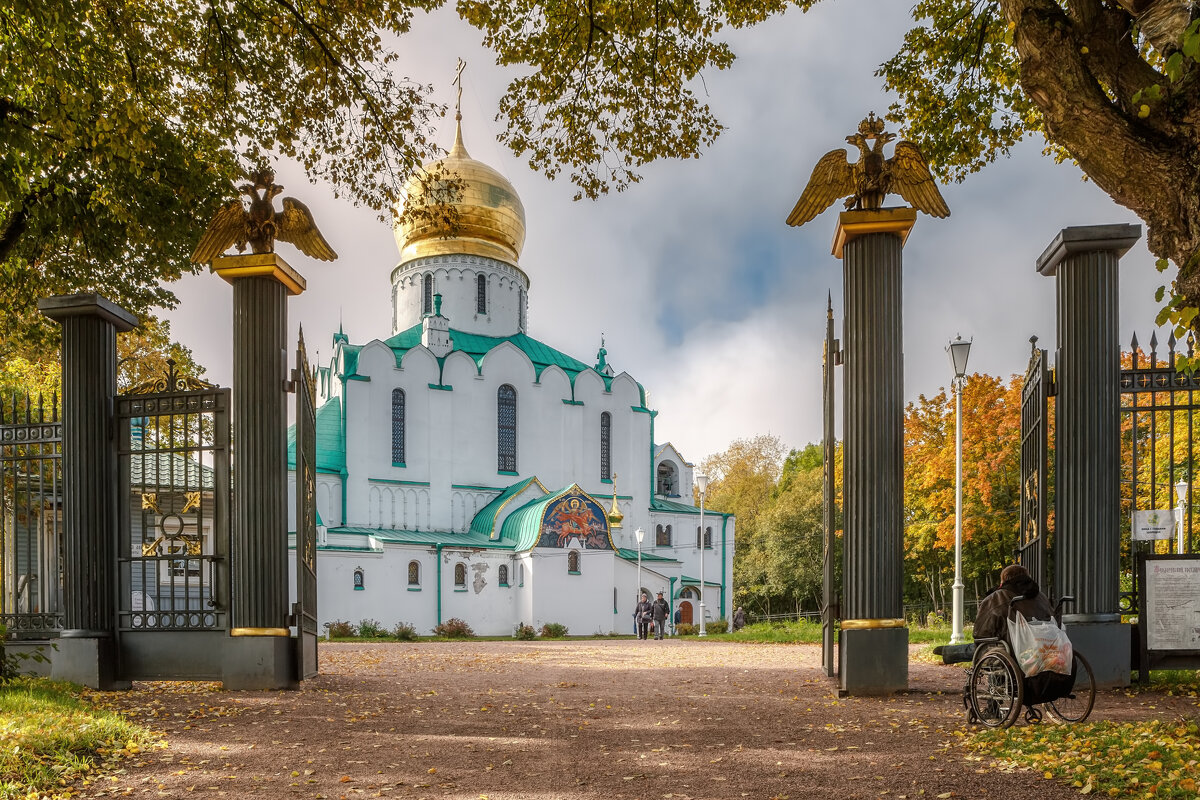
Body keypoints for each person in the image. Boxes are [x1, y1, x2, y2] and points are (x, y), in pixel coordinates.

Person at [973, 563, 1055, 642]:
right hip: (1043, 646)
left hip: (1006, 649)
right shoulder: (1041, 597)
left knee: (961, 650)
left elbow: (980, 634)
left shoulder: (996, 598)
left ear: (1003, 580)